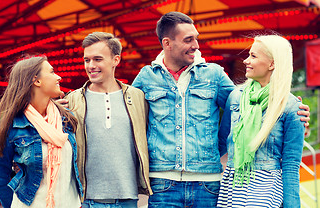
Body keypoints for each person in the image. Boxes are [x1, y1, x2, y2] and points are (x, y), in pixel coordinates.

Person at [132, 11, 310, 207]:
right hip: (164, 184)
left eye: (196, 39)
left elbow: (247, 113)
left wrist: (297, 117)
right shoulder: (147, 77)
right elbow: (129, 119)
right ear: (167, 43)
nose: (196, 45)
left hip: (208, 185)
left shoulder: (214, 75)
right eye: (189, 39)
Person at [63, 32, 152, 208]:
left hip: (129, 198)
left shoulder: (138, 98)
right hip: (85, 199)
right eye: (86, 60)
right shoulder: (71, 100)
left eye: (97, 59)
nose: (91, 66)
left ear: (115, 60)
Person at [217, 35, 305, 208]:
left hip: (267, 188)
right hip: (233, 184)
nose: (246, 61)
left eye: (254, 56)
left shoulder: (291, 106)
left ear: (272, 64)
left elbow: (291, 164)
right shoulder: (235, 97)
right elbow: (221, 143)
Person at [0, 56, 83, 208]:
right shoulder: (11, 127)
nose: (58, 77)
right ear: (36, 81)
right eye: (52, 72)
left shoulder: (66, 119)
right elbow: (0, 181)